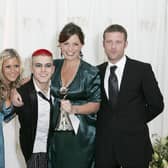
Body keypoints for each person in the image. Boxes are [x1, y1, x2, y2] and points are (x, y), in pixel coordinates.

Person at [95, 24, 164, 168]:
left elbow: (157, 104)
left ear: (125, 44)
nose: (113, 46)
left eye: (118, 42)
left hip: (135, 146)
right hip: (104, 149)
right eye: (109, 42)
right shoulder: (96, 72)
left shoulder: (142, 70)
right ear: (103, 44)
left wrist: (134, 120)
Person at [48, 22, 101, 168]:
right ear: (60, 45)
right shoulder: (52, 65)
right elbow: (31, 81)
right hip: (55, 136)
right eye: (66, 43)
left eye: (75, 44)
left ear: (82, 45)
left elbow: (96, 104)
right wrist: (15, 90)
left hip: (81, 137)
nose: (70, 49)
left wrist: (74, 109)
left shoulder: (90, 72)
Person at [13, 49, 55, 168]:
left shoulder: (59, 89)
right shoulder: (21, 93)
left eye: (47, 66)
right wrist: (13, 89)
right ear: (31, 68)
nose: (43, 70)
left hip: (59, 151)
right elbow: (6, 112)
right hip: (35, 153)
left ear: (53, 69)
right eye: (38, 65)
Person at [0, 48, 22, 168]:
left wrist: (14, 89)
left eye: (16, 66)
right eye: (8, 67)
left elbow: (6, 116)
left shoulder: (12, 87)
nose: (13, 70)